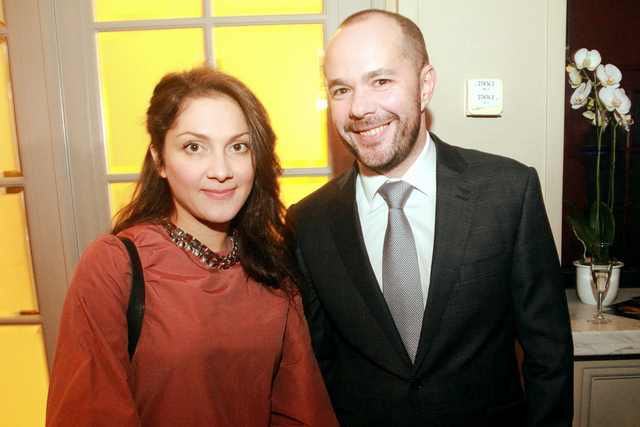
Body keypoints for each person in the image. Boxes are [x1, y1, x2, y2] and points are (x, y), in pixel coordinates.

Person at [291, 9, 574, 427]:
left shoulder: (509, 192)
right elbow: (318, 366)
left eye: (381, 81)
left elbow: (549, 353)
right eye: (341, 89)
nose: (359, 108)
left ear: (425, 86)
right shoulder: (308, 222)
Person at [46, 67, 338, 427]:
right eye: (194, 147)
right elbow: (89, 412)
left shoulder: (273, 272)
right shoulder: (115, 266)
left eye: (238, 146)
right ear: (159, 160)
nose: (221, 170)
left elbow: (302, 410)